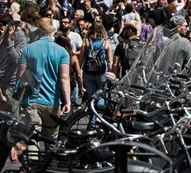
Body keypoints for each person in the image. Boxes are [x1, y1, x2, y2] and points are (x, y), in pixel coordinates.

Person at [15, 17, 70, 153]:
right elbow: (64, 78)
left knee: (32, 139)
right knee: (51, 140)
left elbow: (20, 75)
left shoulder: (28, 49)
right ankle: (48, 166)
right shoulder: (62, 52)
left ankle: (32, 166)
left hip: (32, 101)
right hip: (52, 102)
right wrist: (67, 101)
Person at [0, 11, 28, 114]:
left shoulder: (19, 37)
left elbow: (16, 60)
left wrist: (9, 40)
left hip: (8, 85)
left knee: (8, 119)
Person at [80, 20, 113, 100]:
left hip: (88, 72)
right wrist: (111, 72)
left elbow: (81, 59)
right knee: (101, 96)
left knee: (91, 97)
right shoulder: (106, 42)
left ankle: (92, 111)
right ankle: (99, 112)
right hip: (102, 73)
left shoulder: (86, 41)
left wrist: (78, 72)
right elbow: (109, 61)